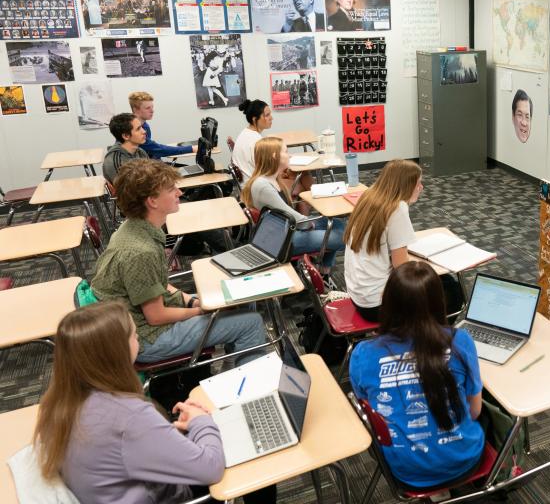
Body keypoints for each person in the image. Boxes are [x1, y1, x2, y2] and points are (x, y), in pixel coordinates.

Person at [33, 302, 226, 503]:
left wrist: (170, 433)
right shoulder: (129, 416)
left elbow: (125, 447)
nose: (138, 339)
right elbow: (211, 469)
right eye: (134, 335)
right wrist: (201, 421)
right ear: (117, 351)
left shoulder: (59, 402)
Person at [91, 158, 267, 365]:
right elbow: (156, 317)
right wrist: (200, 310)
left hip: (136, 320)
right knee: (252, 323)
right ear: (152, 201)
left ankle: (236, 359)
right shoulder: (140, 252)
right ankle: (247, 386)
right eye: (171, 189)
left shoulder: (133, 229)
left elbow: (156, 285)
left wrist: (192, 301)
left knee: (240, 298)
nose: (179, 193)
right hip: (147, 338)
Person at [349, 261, 484, 490]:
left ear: (387, 302)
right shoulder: (460, 341)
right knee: (490, 409)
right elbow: (475, 411)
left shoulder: (363, 354)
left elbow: (370, 407)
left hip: (404, 469)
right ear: (439, 302)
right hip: (463, 460)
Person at [343, 160, 463, 321]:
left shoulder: (370, 195)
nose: (421, 188)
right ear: (405, 185)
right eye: (418, 183)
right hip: (378, 304)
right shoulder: (397, 208)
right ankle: (429, 338)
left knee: (444, 281)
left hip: (358, 295)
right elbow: (401, 267)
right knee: (452, 291)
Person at [240, 137, 345, 285]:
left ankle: (323, 274)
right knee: (344, 236)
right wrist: (311, 225)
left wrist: (310, 223)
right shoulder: (263, 186)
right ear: (274, 156)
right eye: (285, 152)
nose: (289, 155)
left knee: (337, 225)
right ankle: (323, 274)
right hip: (283, 241)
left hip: (286, 231)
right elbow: (297, 220)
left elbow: (290, 214)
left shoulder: (271, 180)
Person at [128, 91, 196, 160]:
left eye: (152, 107)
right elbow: (156, 149)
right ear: (135, 109)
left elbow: (151, 151)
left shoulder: (145, 125)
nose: (152, 111)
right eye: (147, 108)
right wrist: (191, 149)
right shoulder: (132, 129)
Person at [103, 112, 148, 183]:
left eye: (141, 127)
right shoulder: (114, 159)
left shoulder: (141, 152)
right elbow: (127, 190)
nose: (144, 131)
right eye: (138, 129)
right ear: (126, 136)